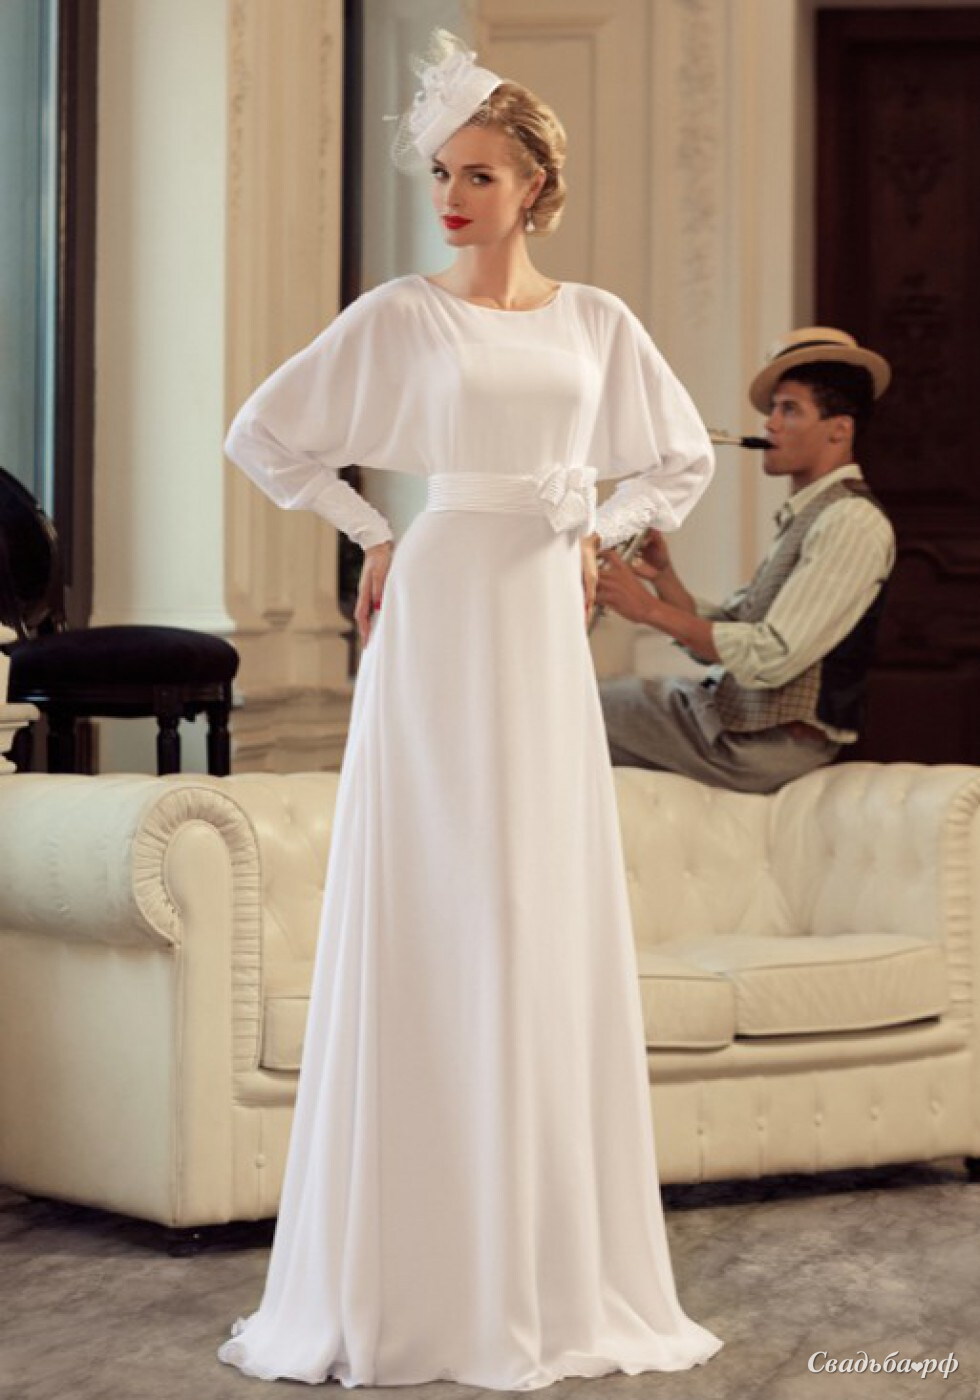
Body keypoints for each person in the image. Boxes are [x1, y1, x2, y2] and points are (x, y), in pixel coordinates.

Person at [217, 30, 721, 1390]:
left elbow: (677, 455)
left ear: (535, 185)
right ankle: (420, 1282)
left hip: (540, 612)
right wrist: (372, 530)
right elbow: (262, 433)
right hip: (440, 602)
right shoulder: (401, 312)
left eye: (479, 174)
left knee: (533, 897)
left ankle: (543, 1274)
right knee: (437, 892)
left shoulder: (597, 320)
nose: (450, 196)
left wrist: (598, 532)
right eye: (441, 172)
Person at [597, 327, 896, 794]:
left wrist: (647, 610)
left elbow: (769, 655)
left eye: (789, 409)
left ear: (840, 428)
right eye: (772, 409)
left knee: (573, 706)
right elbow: (733, 630)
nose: (769, 425)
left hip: (766, 744)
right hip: (737, 724)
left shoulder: (851, 522)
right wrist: (664, 580)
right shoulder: (814, 514)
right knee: (573, 702)